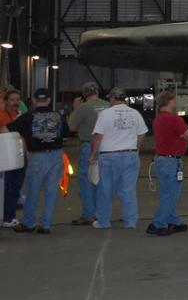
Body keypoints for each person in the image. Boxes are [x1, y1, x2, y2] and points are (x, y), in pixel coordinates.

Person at [90, 87, 149, 229]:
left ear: (112, 99)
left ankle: (103, 221)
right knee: (128, 190)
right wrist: (136, 149)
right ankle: (131, 221)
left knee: (105, 190)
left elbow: (98, 136)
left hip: (109, 156)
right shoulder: (135, 113)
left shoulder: (105, 114)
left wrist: (93, 155)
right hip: (130, 154)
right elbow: (142, 135)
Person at [9, 88, 65, 234]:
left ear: (33, 101)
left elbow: (7, 129)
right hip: (56, 156)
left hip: (37, 157)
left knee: (32, 191)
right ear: (49, 100)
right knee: (51, 191)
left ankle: (28, 222)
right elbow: (67, 132)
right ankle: (46, 224)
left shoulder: (27, 117)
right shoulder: (58, 115)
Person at [149, 90, 188, 236]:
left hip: (160, 160)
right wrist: (182, 135)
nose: (176, 102)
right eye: (174, 100)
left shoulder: (158, 119)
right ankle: (157, 224)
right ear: (170, 101)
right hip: (172, 161)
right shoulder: (174, 119)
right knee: (171, 194)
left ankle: (173, 221)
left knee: (166, 193)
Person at [67, 82, 110, 225]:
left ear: (84, 94)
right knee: (102, 180)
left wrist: (75, 108)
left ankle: (88, 213)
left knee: (87, 181)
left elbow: (71, 127)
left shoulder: (83, 107)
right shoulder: (108, 105)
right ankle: (102, 212)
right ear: (97, 91)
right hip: (106, 146)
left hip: (89, 145)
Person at [0, 88, 25, 226]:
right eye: (12, 100)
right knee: (7, 188)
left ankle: (10, 216)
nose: (15, 103)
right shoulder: (1, 115)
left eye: (17, 100)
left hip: (20, 156)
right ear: (5, 102)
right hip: (6, 159)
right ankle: (7, 217)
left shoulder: (21, 115)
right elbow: (6, 132)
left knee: (15, 187)